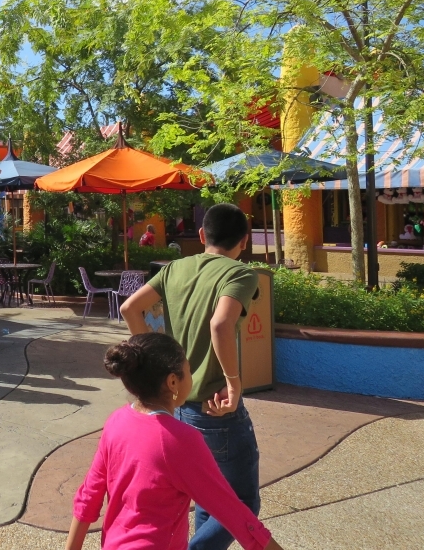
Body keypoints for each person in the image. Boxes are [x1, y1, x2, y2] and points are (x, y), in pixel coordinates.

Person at [120, 203, 262, 550]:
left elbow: (130, 308)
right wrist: (234, 381)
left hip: (178, 402)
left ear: (201, 236)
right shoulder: (240, 274)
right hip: (216, 408)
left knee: (208, 499)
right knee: (241, 502)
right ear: (244, 241)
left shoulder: (175, 269)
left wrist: (152, 360)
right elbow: (220, 324)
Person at [67, 333, 281, 550]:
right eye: (188, 370)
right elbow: (231, 511)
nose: (191, 376)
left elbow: (88, 496)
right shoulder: (180, 440)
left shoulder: (116, 422)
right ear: (172, 381)